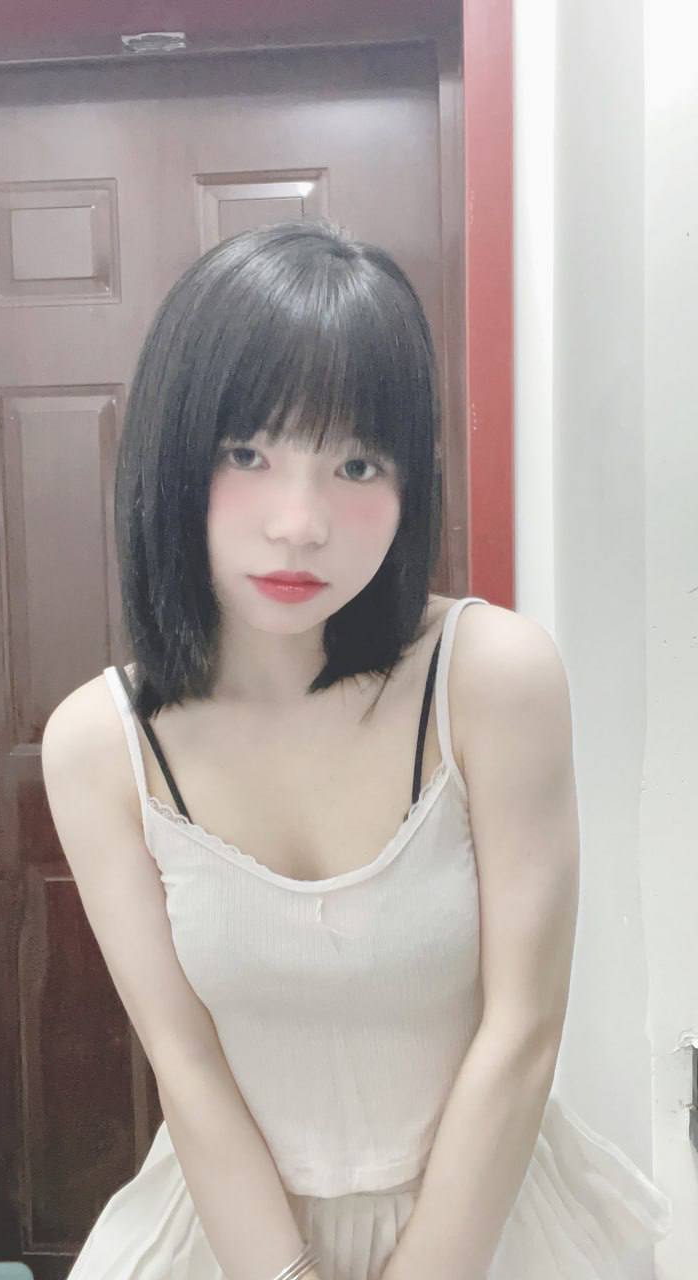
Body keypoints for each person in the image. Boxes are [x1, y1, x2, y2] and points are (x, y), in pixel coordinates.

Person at [41, 219, 671, 1280]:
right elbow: (186, 1062)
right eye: (248, 452)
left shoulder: (490, 679)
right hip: (230, 1232)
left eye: (356, 462)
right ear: (170, 454)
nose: (301, 523)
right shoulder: (100, 744)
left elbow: (522, 1027)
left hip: (487, 1222)